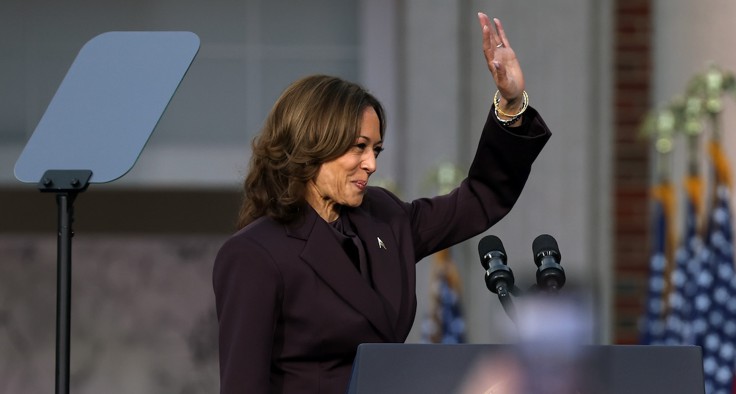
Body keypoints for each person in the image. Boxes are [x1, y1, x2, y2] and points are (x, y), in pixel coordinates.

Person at [213, 12, 552, 394]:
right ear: (313, 144)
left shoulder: (385, 218)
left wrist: (511, 104)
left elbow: (480, 198)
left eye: (375, 149)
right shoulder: (254, 254)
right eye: (358, 147)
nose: (372, 164)